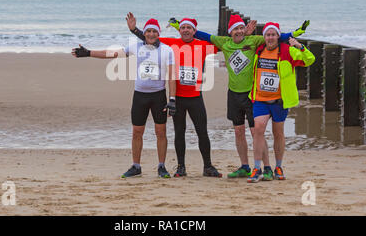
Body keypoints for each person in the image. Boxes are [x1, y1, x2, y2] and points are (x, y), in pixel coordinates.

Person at [191, 15, 308, 179]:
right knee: (238, 132)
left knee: (256, 132)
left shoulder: (253, 40)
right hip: (233, 94)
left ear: (244, 30)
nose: (238, 31)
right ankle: (245, 166)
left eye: (241, 28)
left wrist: (297, 32)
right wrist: (183, 27)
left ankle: (267, 167)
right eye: (235, 29)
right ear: (230, 32)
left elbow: (275, 36)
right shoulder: (223, 42)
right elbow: (202, 35)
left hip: (251, 95)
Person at [72, 18, 176, 179]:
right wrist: (89, 53)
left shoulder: (167, 50)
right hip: (140, 95)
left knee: (160, 132)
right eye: (148, 31)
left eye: (155, 31)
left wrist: (172, 99)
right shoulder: (136, 47)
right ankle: (136, 166)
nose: (151, 34)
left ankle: (161, 166)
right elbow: (112, 54)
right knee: (137, 131)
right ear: (145, 33)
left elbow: (172, 76)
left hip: (158, 96)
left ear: (158, 34)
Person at [126, 12, 222, 177]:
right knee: (179, 132)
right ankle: (181, 167)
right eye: (183, 27)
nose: (185, 30)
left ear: (194, 31)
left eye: (189, 28)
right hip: (178, 98)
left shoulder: (203, 46)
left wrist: (196, 33)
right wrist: (134, 30)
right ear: (179, 30)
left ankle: (208, 166)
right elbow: (150, 37)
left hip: (195, 98)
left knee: (202, 132)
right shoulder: (171, 44)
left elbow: (221, 42)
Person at [247, 22, 315, 183]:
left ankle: (278, 166)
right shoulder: (259, 50)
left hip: (279, 101)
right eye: (267, 35)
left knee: (278, 133)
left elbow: (310, 59)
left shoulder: (287, 51)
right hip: (260, 99)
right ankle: (257, 168)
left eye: (273, 34)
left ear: (278, 36)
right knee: (258, 129)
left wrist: (299, 46)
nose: (270, 37)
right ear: (264, 37)